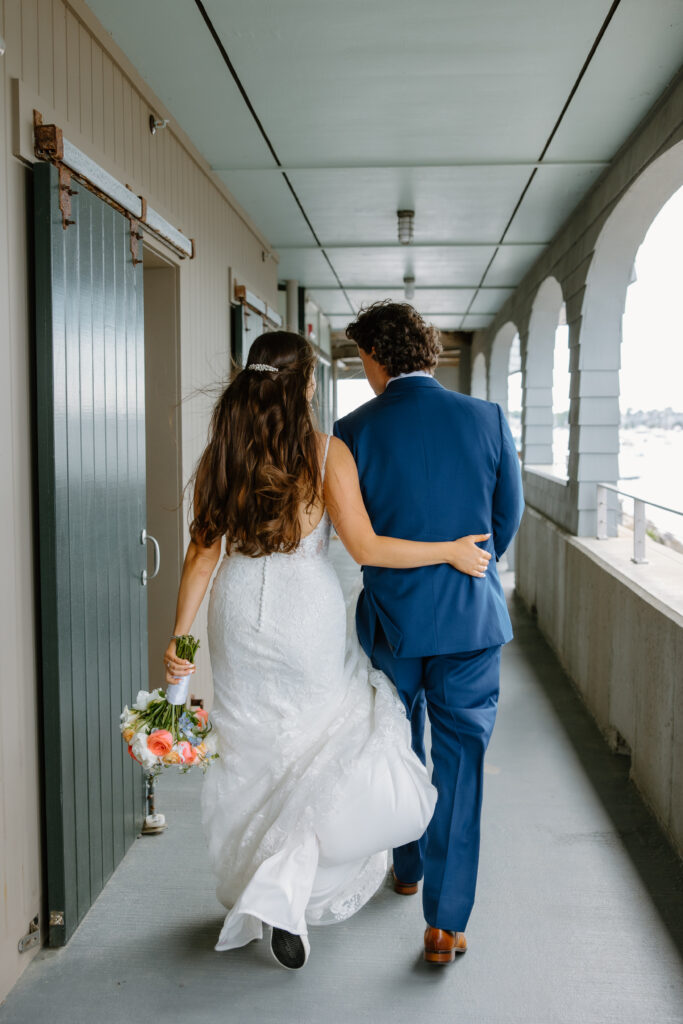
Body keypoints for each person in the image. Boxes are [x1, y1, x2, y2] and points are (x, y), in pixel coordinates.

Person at [162, 330, 493, 970]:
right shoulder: (323, 452)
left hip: (238, 616)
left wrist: (180, 646)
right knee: (328, 741)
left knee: (254, 755)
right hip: (304, 619)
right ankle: (290, 885)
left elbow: (203, 554)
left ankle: (267, 890)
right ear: (306, 386)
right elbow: (367, 548)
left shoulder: (222, 451)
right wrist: (449, 550)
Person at [334, 301, 524, 965]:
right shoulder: (485, 418)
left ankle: (406, 863)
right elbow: (507, 516)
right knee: (461, 763)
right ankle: (445, 923)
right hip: (470, 622)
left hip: (393, 623)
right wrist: (467, 569)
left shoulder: (351, 429)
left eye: (361, 359)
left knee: (398, 745)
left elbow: (358, 541)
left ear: (376, 358)